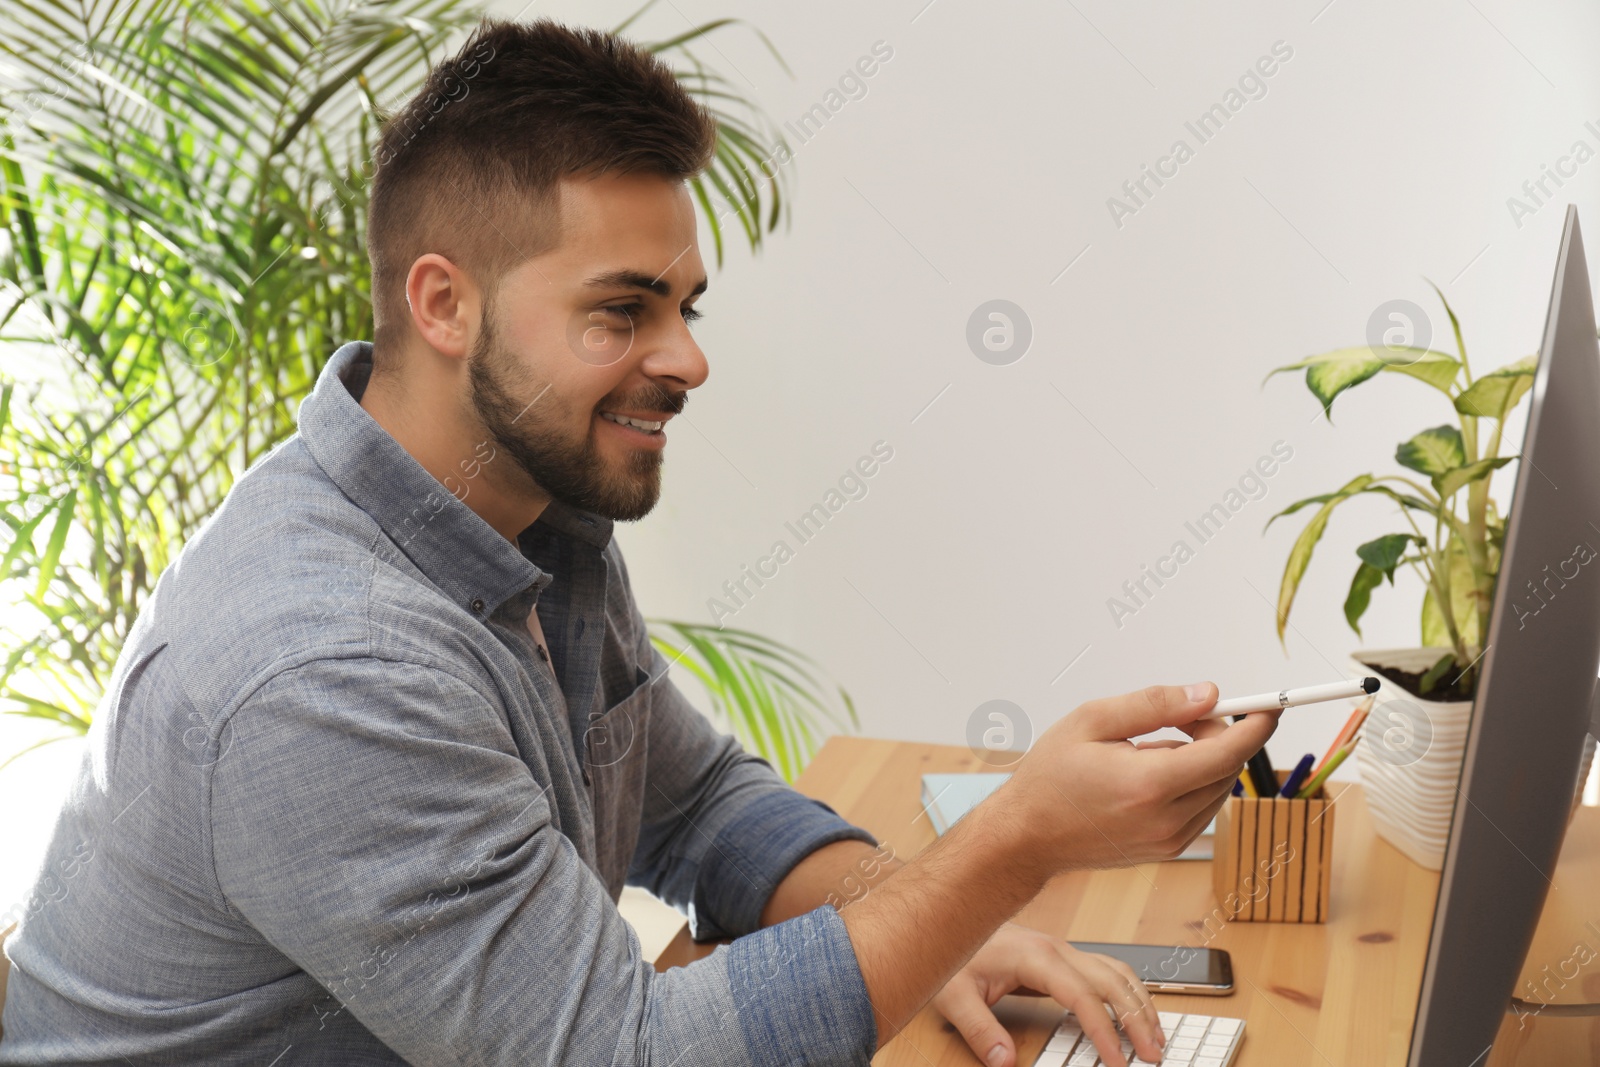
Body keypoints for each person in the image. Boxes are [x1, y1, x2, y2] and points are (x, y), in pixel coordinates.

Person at [0, 17, 1278, 1067]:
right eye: (624, 309)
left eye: (683, 305)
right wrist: (1007, 846)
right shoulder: (321, 668)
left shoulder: (533, 513)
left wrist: (928, 916)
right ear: (443, 303)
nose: (687, 357)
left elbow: (697, 803)